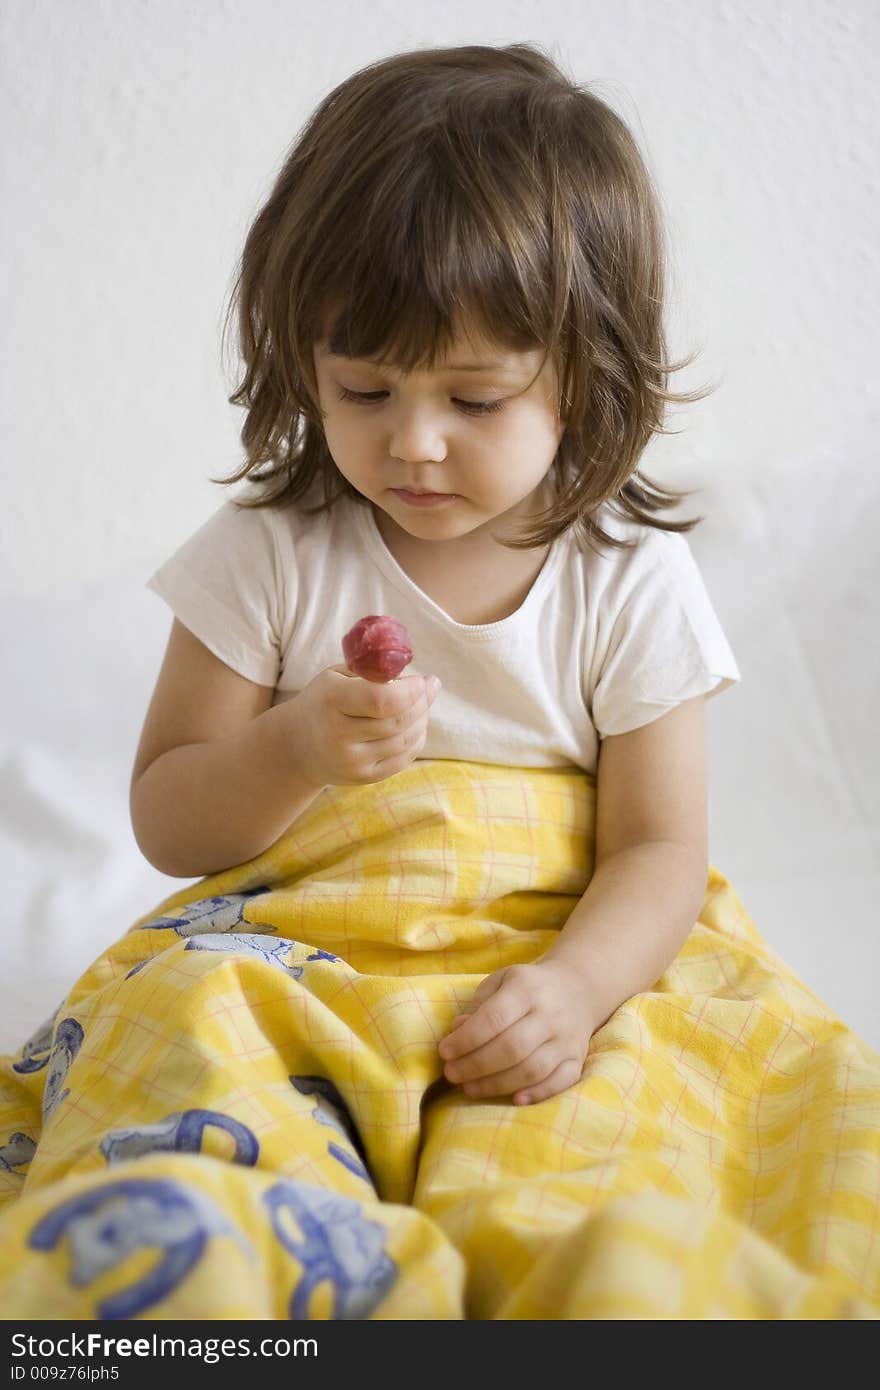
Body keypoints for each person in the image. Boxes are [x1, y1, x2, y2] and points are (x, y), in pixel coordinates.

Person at [131, 40, 740, 1113]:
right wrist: (294, 747)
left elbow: (659, 848)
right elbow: (168, 823)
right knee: (190, 1097)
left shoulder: (630, 579)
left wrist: (574, 987)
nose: (413, 443)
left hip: (546, 971)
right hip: (304, 962)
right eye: (363, 389)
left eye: (474, 401)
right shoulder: (269, 551)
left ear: (583, 379)